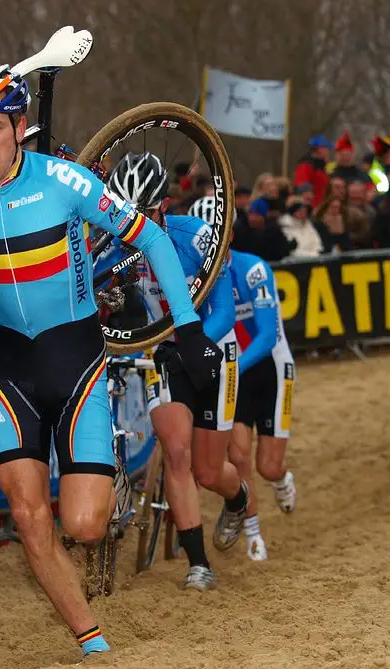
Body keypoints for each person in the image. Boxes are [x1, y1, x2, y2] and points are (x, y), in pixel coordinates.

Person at [0, 65, 221, 658]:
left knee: (81, 525)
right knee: (29, 517)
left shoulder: (64, 181)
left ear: (19, 128)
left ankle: (103, 500)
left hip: (76, 358)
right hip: (10, 369)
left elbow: (151, 239)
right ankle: (91, 640)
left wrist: (186, 328)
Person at [102, 153, 249, 590]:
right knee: (178, 455)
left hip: (211, 351)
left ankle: (237, 497)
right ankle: (199, 563)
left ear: (162, 205)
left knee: (208, 471)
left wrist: (194, 342)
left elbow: (223, 310)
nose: (131, 223)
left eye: (141, 212)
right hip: (163, 354)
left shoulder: (198, 238)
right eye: (123, 212)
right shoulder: (114, 245)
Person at [191, 200, 296, 561]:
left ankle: (281, 478)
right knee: (237, 454)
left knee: (268, 466)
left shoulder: (254, 270)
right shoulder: (193, 274)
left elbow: (267, 336)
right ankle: (253, 532)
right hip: (231, 371)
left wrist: (224, 367)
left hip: (268, 368)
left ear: (230, 235)